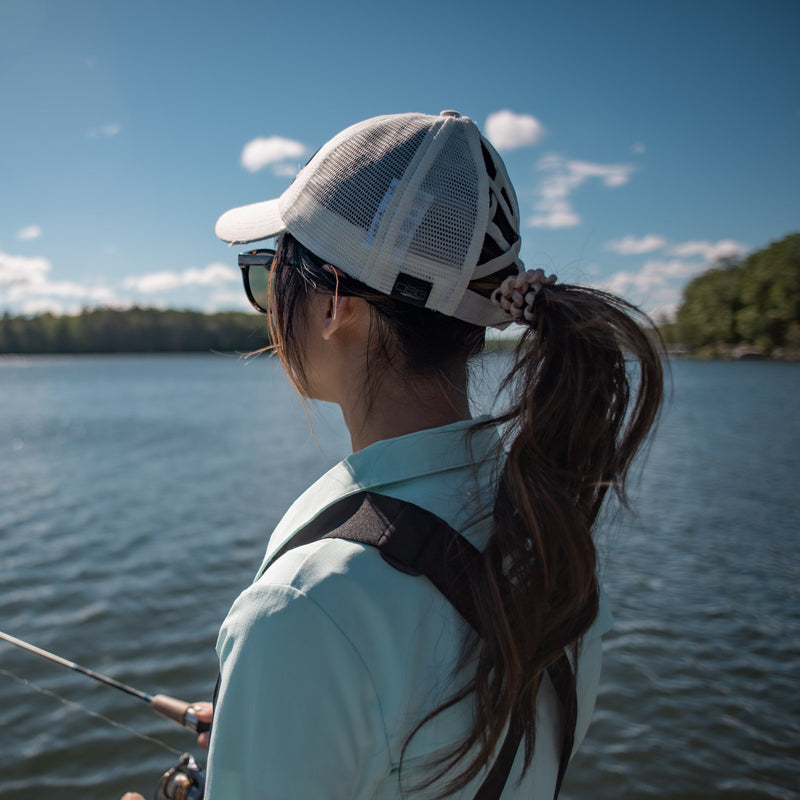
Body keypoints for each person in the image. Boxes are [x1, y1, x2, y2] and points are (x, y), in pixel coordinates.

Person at [124, 110, 663, 800]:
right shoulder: (552, 540)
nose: (268, 306)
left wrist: (282, 692)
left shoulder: (301, 614)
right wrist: (274, 718)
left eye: (269, 274)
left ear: (333, 307)